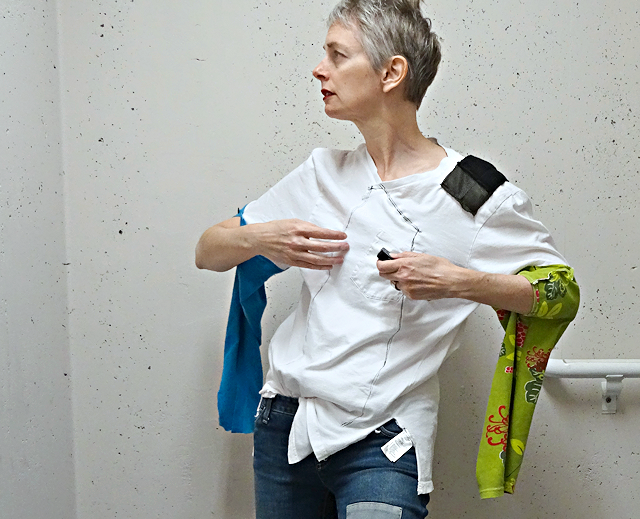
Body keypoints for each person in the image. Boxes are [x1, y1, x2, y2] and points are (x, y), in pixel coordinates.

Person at [196, 1, 577, 517]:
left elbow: (561, 293)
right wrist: (264, 237)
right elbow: (209, 250)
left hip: (386, 438)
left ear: (391, 73)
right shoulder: (321, 173)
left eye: (337, 55)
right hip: (286, 422)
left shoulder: (472, 193)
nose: (319, 69)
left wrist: (459, 281)